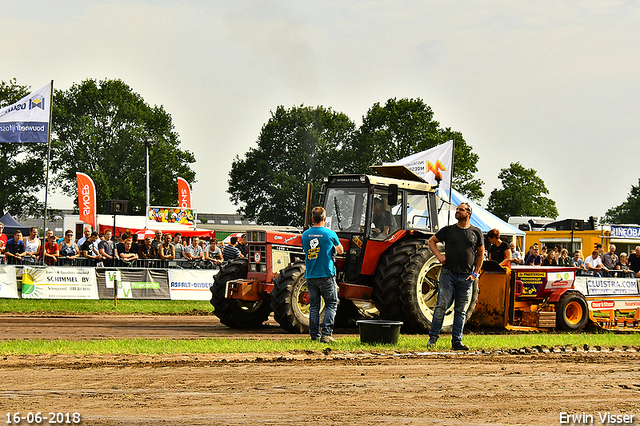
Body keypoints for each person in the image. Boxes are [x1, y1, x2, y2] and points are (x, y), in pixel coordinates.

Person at [427, 203, 484, 351]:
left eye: (461, 210)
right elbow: (431, 241)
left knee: (461, 310)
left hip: (466, 277)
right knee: (441, 306)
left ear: (468, 213)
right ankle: (432, 339)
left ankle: (457, 342)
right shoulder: (448, 230)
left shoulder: (476, 232)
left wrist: (476, 273)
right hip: (448, 273)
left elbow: (480, 254)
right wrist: (439, 256)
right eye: (457, 209)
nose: (457, 212)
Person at [302, 207, 343, 343]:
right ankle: (326, 334)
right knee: (331, 303)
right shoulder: (330, 234)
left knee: (314, 306)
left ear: (312, 219)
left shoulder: (305, 235)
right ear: (325, 219)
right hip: (326, 274)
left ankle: (314, 335)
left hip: (310, 275)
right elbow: (340, 251)